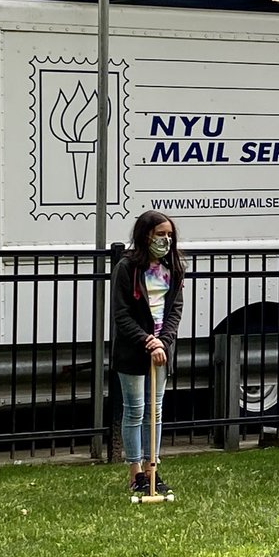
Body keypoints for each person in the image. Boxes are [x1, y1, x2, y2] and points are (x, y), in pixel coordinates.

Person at [111, 210, 185, 495]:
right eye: (160, 235)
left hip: (161, 351)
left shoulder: (174, 268)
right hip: (134, 349)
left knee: (155, 411)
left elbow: (175, 310)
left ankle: (153, 468)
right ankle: (135, 471)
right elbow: (122, 314)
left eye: (169, 235)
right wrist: (147, 341)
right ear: (145, 236)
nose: (166, 240)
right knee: (135, 410)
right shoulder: (127, 268)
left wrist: (162, 342)